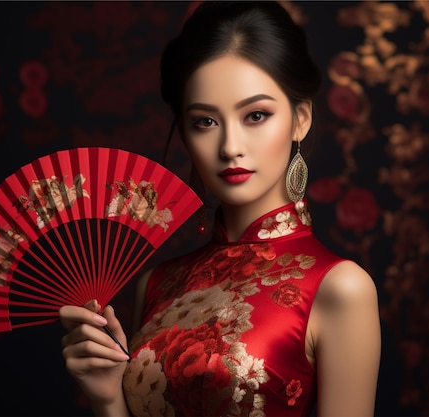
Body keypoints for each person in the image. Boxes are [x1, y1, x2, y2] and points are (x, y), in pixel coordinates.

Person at [59, 2, 381, 416]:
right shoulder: (158, 283)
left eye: (256, 115)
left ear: (301, 118)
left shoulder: (339, 289)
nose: (230, 147)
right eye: (205, 122)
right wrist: (106, 397)